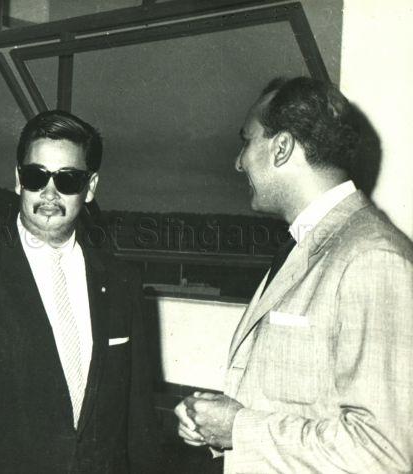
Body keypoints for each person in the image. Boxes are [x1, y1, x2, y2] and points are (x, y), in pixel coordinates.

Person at [175, 77, 413, 473]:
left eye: (246, 141)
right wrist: (217, 422)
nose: (238, 161)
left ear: (281, 147)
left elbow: (382, 452)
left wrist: (237, 428)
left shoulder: (372, 256)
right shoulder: (308, 244)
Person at [0, 110, 159, 473]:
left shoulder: (123, 283)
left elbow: (140, 425)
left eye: (68, 180)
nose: (48, 193)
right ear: (18, 180)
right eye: (35, 176)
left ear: (90, 188)